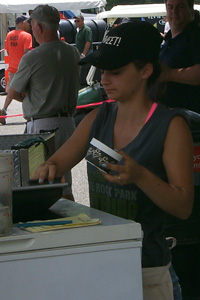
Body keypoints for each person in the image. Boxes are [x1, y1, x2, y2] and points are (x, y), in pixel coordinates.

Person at [32, 21, 194, 300]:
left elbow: (183, 207)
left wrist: (140, 175)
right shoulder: (98, 118)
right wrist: (49, 171)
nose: (104, 80)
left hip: (149, 273)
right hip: (103, 264)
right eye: (103, 71)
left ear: (146, 71)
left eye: (116, 72)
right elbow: (56, 165)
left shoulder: (171, 126)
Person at [5, 4, 80, 201]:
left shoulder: (33, 57)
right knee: (64, 184)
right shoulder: (72, 52)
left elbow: (13, 91)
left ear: (38, 27)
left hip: (42, 126)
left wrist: (26, 95)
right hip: (67, 123)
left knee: (40, 184)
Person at [153, 0, 200, 113]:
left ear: (191, 11)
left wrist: (169, 74)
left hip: (191, 120)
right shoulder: (166, 40)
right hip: (165, 116)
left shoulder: (196, 36)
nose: (174, 12)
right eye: (170, 7)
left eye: (181, 7)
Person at [0, 15, 32, 125]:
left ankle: (3, 110)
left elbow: (8, 51)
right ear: (22, 23)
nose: (29, 25)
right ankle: (30, 114)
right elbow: (26, 53)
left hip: (12, 68)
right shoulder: (27, 36)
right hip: (23, 69)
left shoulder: (9, 35)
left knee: (11, 92)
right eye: (27, 22)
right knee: (27, 92)